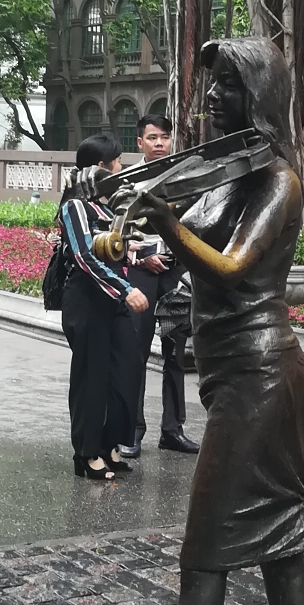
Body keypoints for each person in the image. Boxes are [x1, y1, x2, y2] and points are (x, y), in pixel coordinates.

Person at [72, 38, 304, 605]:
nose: (213, 100)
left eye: (229, 88)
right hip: (232, 378)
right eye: (211, 87)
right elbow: (182, 253)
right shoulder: (223, 177)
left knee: (204, 555)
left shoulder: (278, 179)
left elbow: (236, 265)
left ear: (260, 99)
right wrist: (135, 235)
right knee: (280, 542)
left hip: (260, 378)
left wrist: (167, 224)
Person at [58, 134, 150, 483]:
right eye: (116, 162)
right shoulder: (74, 207)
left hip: (114, 301)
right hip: (87, 300)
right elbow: (83, 257)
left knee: (128, 370)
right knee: (91, 378)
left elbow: (122, 247)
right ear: (100, 167)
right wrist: (126, 289)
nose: (120, 167)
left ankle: (113, 443)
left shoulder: (108, 207)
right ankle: (87, 452)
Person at [119, 114, 198, 459]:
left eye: (164, 137)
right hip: (141, 275)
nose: (159, 143)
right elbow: (117, 232)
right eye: (152, 137)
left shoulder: (182, 178)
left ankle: (173, 430)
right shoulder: (129, 181)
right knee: (135, 353)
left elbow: (192, 224)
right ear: (140, 143)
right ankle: (132, 431)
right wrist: (144, 257)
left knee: (175, 355)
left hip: (175, 276)